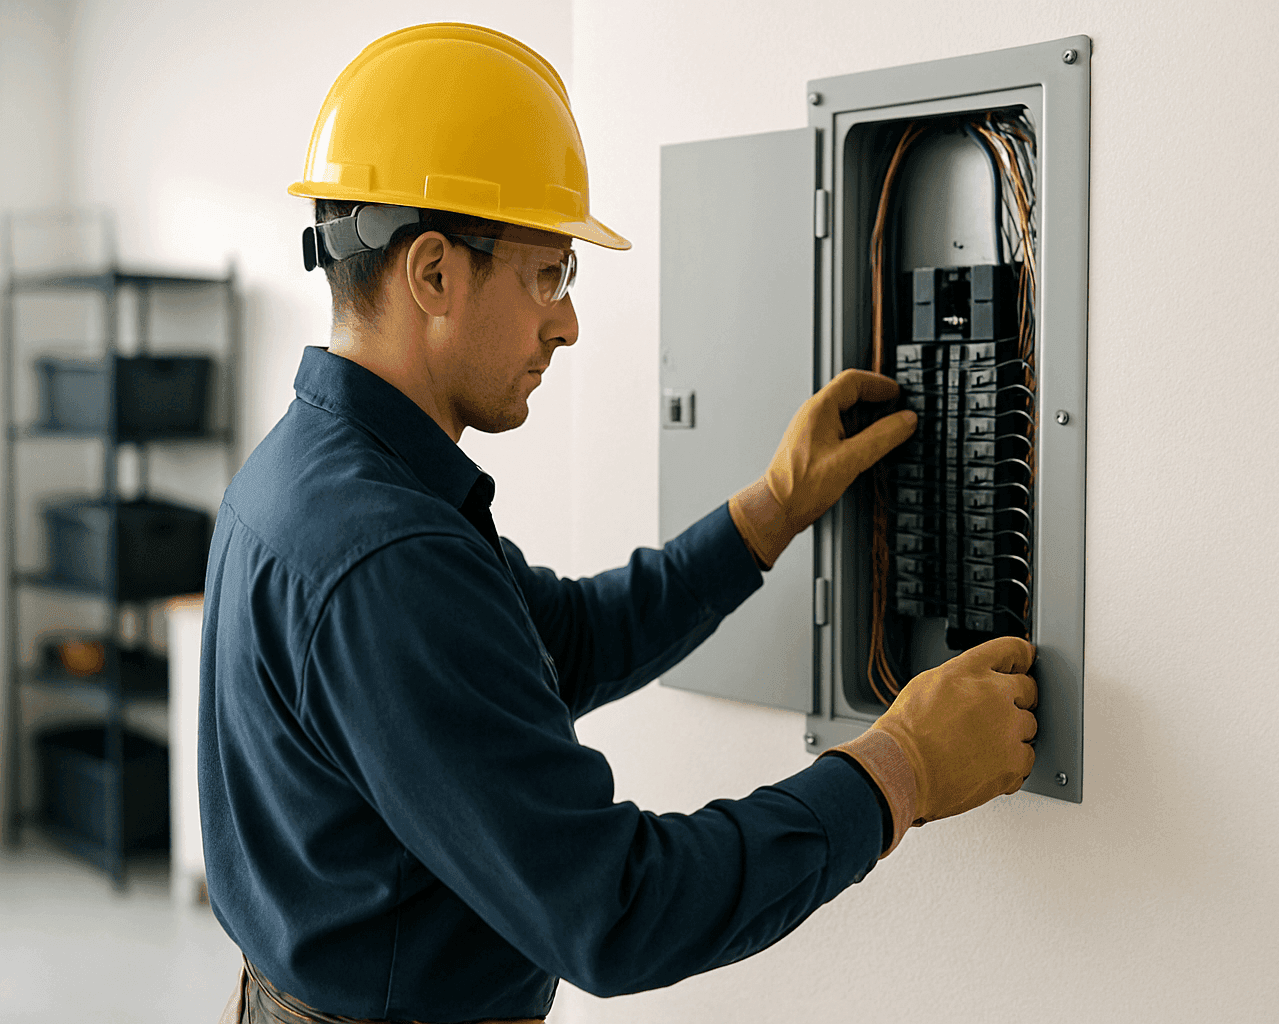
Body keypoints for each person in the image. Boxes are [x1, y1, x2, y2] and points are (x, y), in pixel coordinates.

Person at [202, 23, 1038, 1024]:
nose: (567, 322)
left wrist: (770, 510)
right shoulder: (387, 556)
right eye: (548, 274)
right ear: (433, 274)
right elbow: (619, 909)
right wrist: (901, 770)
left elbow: (564, 642)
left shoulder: (310, 475)